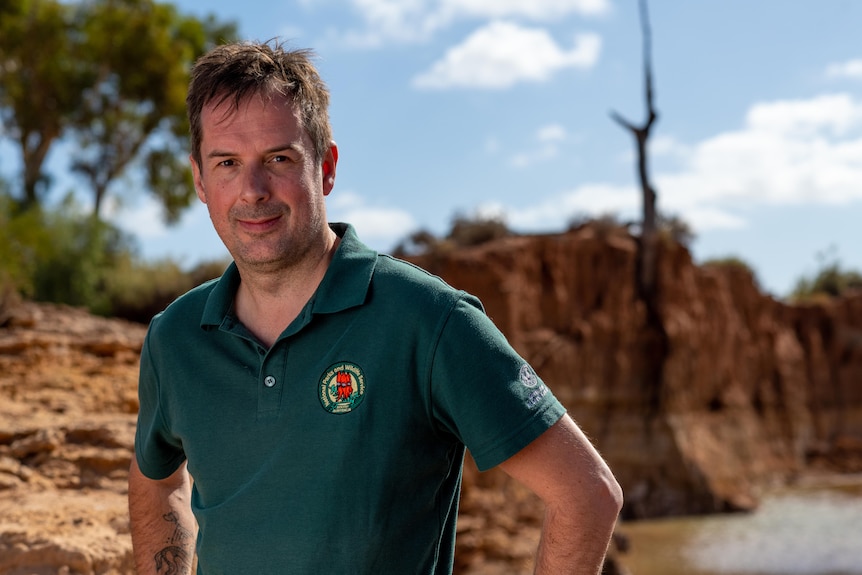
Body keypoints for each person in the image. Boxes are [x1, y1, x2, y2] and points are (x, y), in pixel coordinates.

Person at [128, 40, 623, 575]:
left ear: (327, 167)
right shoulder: (174, 339)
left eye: (279, 158)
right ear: (200, 180)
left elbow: (587, 494)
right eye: (227, 163)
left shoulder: (428, 320)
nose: (252, 190)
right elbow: (156, 483)